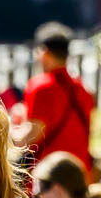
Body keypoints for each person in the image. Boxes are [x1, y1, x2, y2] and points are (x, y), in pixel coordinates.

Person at [12, 23, 94, 165]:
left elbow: (31, 137)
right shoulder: (83, 90)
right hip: (79, 174)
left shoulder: (40, 87)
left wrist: (8, 130)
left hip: (46, 178)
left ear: (44, 53)